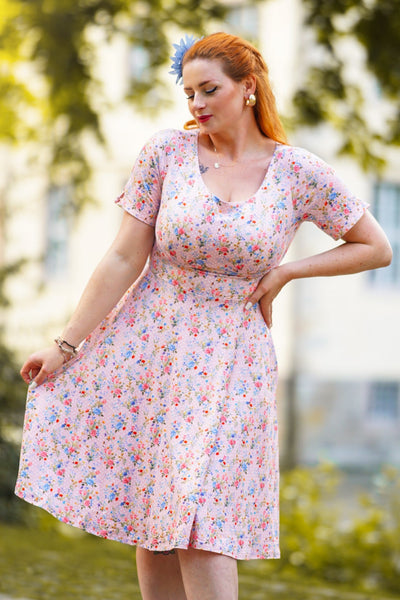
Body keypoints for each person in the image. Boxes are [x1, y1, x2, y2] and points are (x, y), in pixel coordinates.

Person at [16, 32, 391, 600]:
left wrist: (289, 272)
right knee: (157, 515)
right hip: (151, 345)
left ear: (248, 87)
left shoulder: (298, 172)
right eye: (188, 92)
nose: (196, 105)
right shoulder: (165, 154)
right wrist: (65, 345)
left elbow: (375, 247)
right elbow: (123, 256)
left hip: (235, 357)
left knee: (203, 519)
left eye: (209, 89)